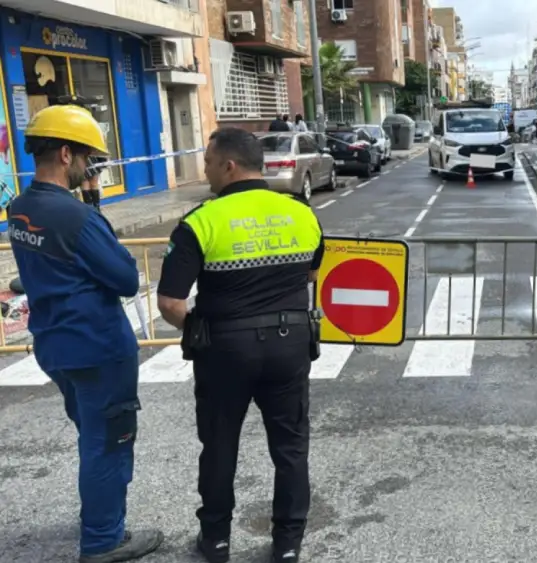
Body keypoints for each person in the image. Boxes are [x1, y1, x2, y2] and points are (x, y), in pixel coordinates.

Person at [156, 127, 323, 563]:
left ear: (229, 165)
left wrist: (201, 328)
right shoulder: (301, 211)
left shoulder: (201, 221)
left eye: (208, 162)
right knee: (290, 449)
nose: (205, 170)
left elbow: (171, 303)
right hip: (290, 345)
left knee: (219, 446)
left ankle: (215, 541)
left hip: (225, 349)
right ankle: (288, 544)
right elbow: (309, 274)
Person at [8, 104, 163, 562]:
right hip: (98, 345)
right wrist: (98, 224)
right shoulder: (75, 217)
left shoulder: (21, 208)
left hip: (55, 344)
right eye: (86, 159)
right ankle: (102, 539)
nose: (89, 169)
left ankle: (99, 515)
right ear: (63, 153)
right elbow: (125, 278)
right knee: (109, 443)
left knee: (91, 434)